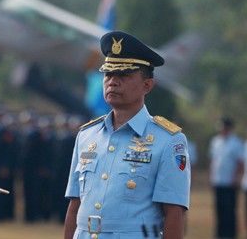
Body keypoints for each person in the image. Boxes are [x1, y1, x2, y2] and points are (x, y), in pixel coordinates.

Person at [64, 31, 191, 239]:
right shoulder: (87, 136)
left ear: (147, 85)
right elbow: (74, 206)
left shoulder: (168, 141)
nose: (113, 81)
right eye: (108, 74)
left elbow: (174, 214)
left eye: (123, 75)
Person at [209, 117, 244, 239]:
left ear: (229, 128)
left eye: (224, 127)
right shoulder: (216, 141)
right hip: (218, 181)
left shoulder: (236, 142)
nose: (221, 130)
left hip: (230, 183)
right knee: (219, 210)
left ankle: (230, 234)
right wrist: (212, 176)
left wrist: (236, 178)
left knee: (230, 211)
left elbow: (240, 163)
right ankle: (220, 234)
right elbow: (213, 161)